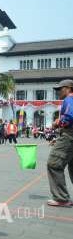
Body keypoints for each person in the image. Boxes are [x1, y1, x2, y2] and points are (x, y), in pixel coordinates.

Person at [46, 79, 73, 207]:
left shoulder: (69, 99)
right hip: (69, 136)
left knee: (54, 163)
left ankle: (62, 198)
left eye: (60, 89)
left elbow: (69, 117)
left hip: (69, 136)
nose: (58, 92)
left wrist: (58, 123)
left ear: (68, 88)